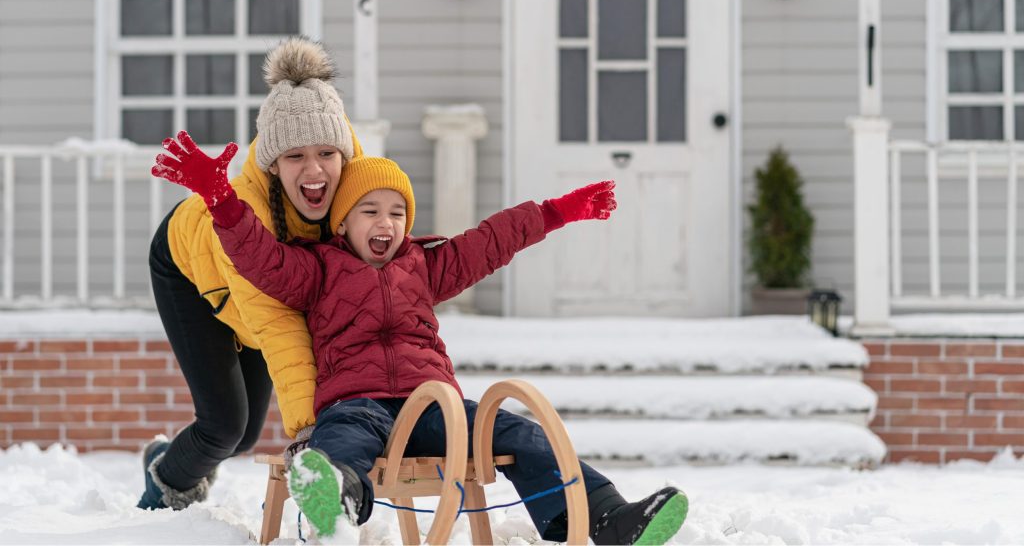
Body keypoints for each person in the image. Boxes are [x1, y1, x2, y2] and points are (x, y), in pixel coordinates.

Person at [152, 140, 690, 544]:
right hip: (357, 404)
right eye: (370, 211)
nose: (385, 223)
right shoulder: (315, 271)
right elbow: (260, 259)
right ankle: (333, 496)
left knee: (522, 432)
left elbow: (490, 241)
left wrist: (558, 211)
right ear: (342, 222)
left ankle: (605, 516)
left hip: (435, 407)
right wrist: (221, 199)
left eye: (397, 212)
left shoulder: (427, 266)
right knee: (341, 442)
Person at [137, 37, 364, 510]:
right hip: (189, 267)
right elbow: (279, 326)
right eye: (295, 156)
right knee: (223, 426)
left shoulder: (362, 199)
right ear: (274, 164)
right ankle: (160, 491)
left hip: (261, 298)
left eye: (326, 152)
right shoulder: (247, 221)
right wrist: (309, 436)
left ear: (344, 154)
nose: (314, 169)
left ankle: (174, 455)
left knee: (241, 437)